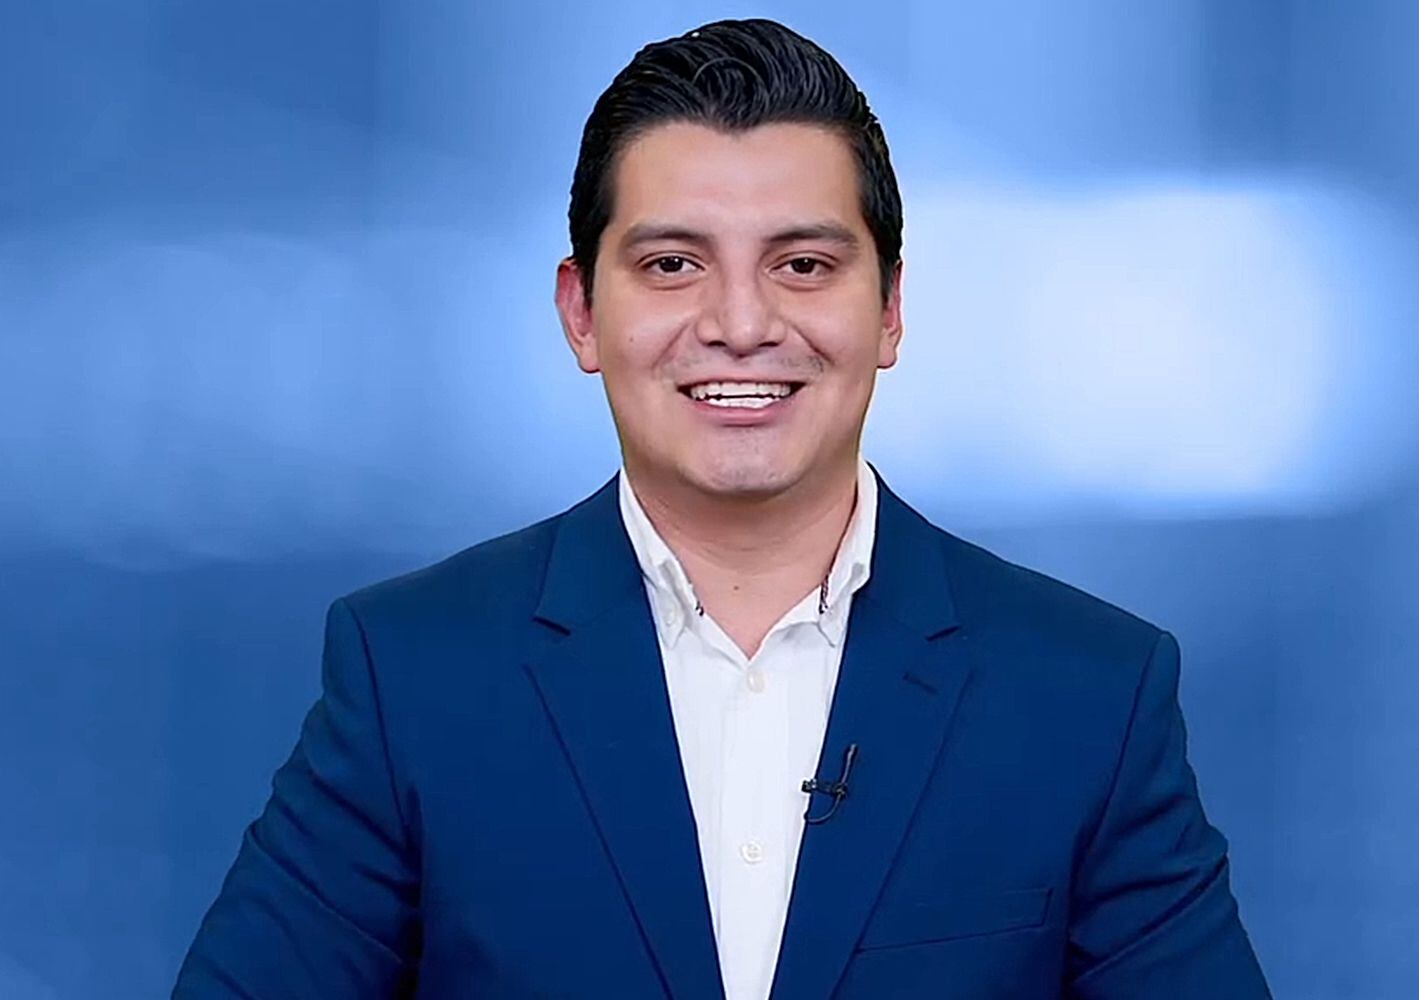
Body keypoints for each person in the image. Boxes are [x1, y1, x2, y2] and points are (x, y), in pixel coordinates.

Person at [174, 17, 1271, 1000]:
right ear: (580, 312)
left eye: (803, 264)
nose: (741, 324)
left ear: (890, 309)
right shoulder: (412, 673)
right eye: (671, 264)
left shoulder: (1090, 692)